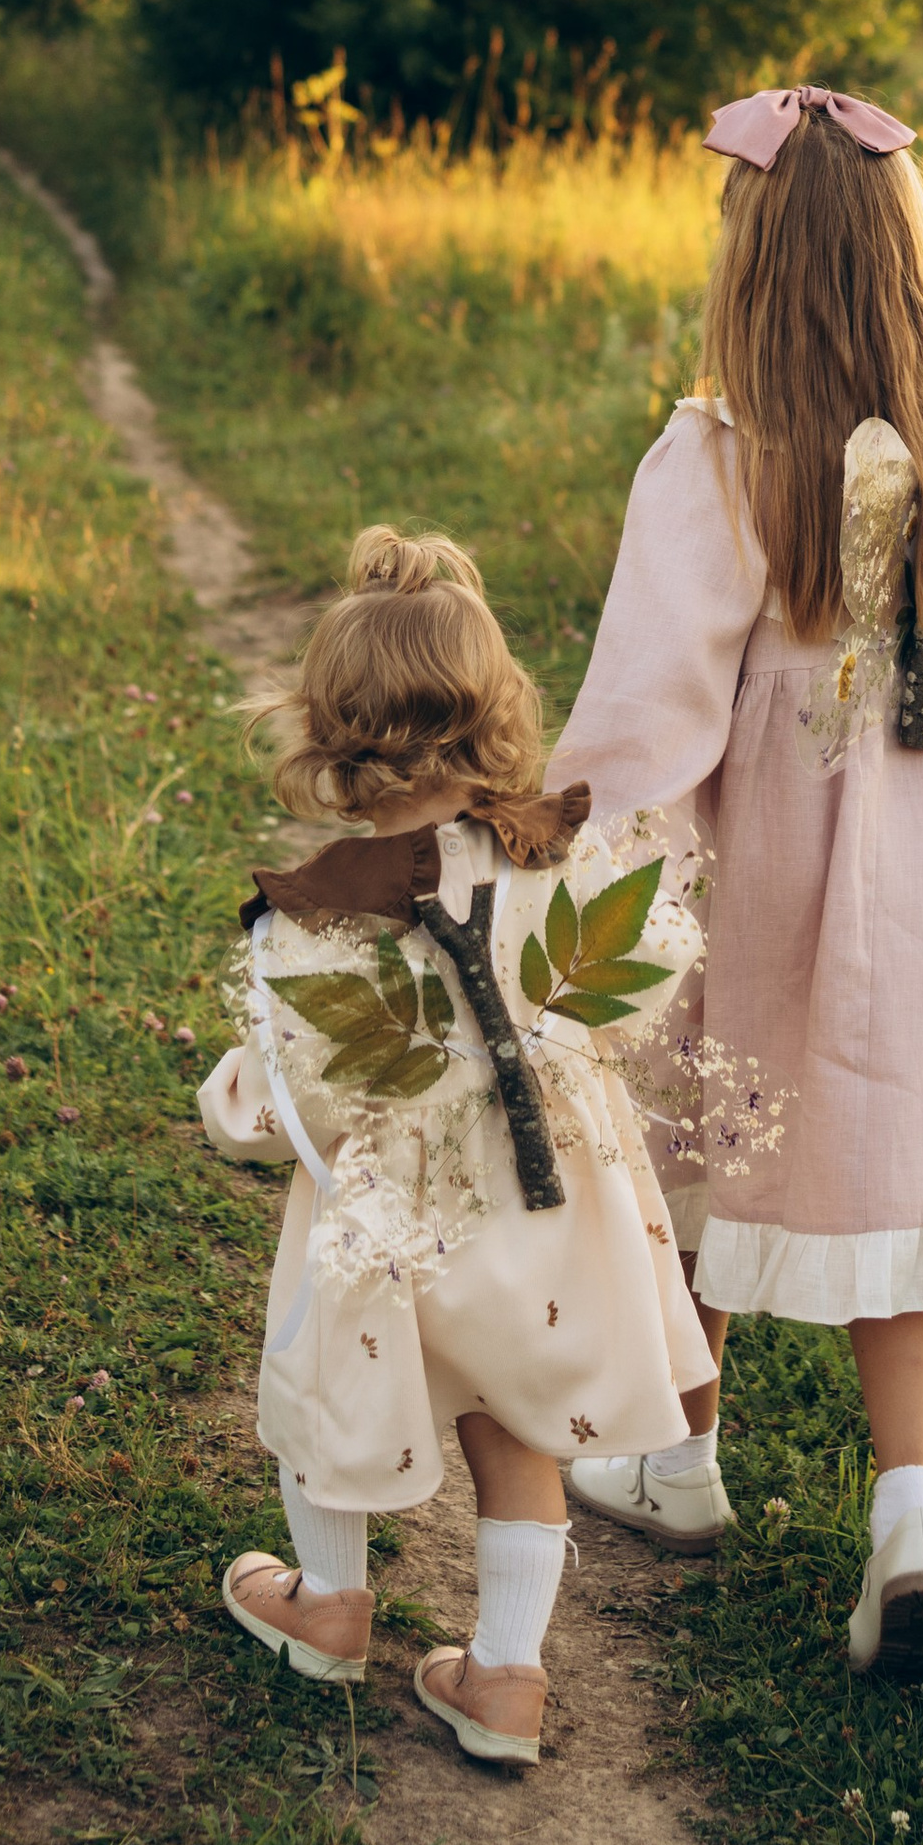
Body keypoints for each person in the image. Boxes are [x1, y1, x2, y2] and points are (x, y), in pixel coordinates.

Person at [549, 83, 923, 1682]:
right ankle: (913, 1521)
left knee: (700, 1121)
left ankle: (682, 1459)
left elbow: (650, 710)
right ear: (911, 258)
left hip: (770, 867)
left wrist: (591, 858)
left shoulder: (718, 460)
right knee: (888, 1175)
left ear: (749, 263)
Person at [199, 527, 712, 1767]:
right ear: (493, 717)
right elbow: (646, 980)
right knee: (516, 1420)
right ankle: (504, 1678)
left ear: (325, 732)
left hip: (393, 1218)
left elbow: (279, 1102)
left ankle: (327, 1608)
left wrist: (233, 1106)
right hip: (544, 1210)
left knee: (337, 1386)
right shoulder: (556, 853)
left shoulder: (313, 914)